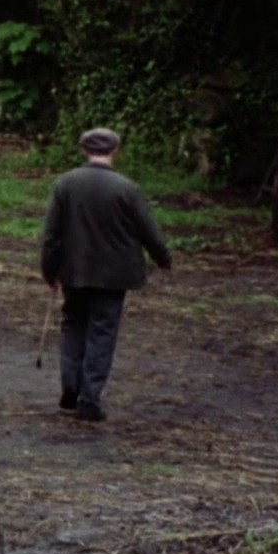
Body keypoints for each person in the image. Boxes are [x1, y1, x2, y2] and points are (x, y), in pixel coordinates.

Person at [39, 127, 173, 422]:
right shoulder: (126, 188)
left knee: (73, 325)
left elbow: (51, 235)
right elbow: (148, 230)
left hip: (74, 270)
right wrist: (163, 259)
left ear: (84, 150)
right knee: (102, 331)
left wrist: (50, 270)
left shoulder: (65, 184)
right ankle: (91, 398)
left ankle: (70, 390)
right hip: (114, 275)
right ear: (114, 150)